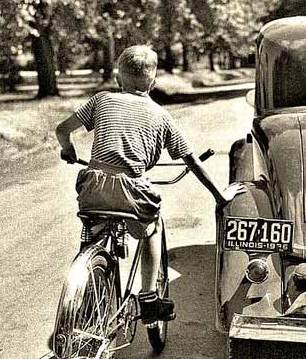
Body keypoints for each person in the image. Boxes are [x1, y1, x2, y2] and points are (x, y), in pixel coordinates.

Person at [55, 45, 244, 323]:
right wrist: (219, 195)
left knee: (94, 227)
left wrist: (68, 150)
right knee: (152, 227)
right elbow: (191, 161)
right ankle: (148, 297)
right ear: (153, 82)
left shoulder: (101, 100)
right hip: (132, 190)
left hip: (92, 185)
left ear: (119, 78)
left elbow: (62, 130)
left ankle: (88, 278)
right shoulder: (161, 115)